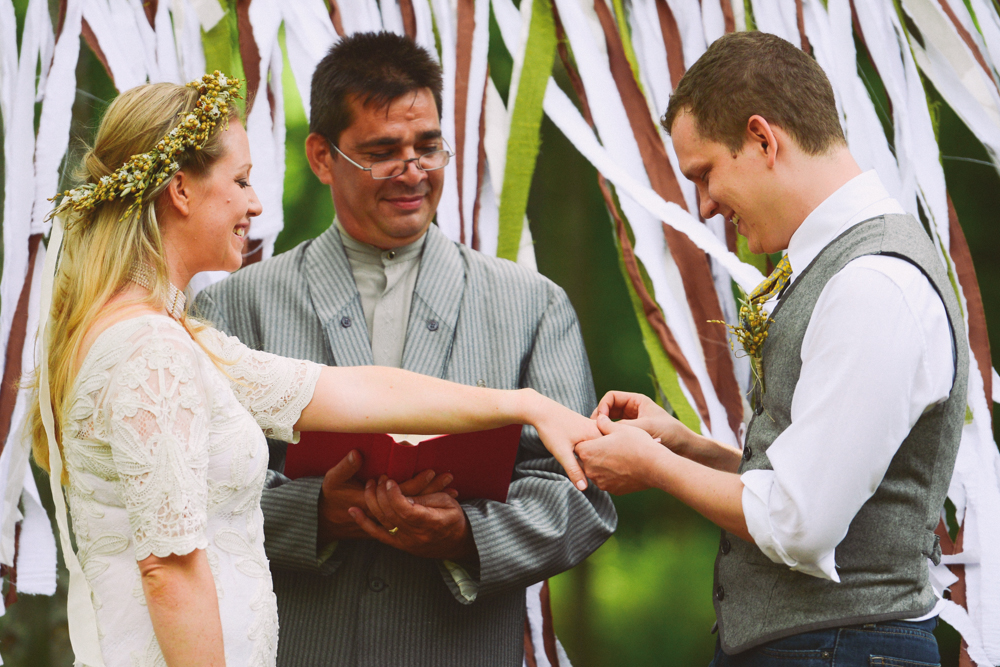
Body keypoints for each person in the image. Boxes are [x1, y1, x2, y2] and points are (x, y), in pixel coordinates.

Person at [28, 73, 599, 667]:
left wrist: (525, 404)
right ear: (181, 191)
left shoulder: (172, 338)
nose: (254, 204)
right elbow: (170, 571)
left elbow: (354, 390)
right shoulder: (153, 350)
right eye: (242, 181)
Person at [193, 32, 616, 667]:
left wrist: (469, 532)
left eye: (429, 147)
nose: (413, 172)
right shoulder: (236, 306)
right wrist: (315, 514)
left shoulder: (533, 304)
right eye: (383, 152)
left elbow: (584, 495)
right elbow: (192, 484)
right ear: (321, 156)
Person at [575, 31, 968, 666]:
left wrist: (654, 470)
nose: (703, 207)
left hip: (840, 648)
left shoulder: (873, 283)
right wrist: (681, 444)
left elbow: (800, 523)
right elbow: (809, 480)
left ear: (763, 139)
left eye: (704, 174)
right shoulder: (848, 269)